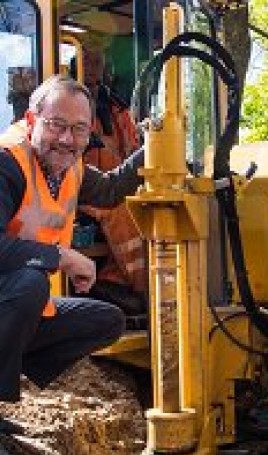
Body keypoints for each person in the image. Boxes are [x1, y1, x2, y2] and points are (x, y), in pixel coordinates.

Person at [0, 75, 144, 455]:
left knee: (104, 320)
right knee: (30, 285)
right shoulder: (6, 163)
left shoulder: (70, 169)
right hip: (11, 295)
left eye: (79, 129)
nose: (67, 138)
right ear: (32, 119)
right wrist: (61, 256)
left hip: (11, 304)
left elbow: (111, 191)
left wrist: (155, 149)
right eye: (56, 125)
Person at [77, 46, 147, 315]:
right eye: (86, 61)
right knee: (121, 213)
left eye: (96, 62)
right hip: (83, 192)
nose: (92, 67)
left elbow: (131, 147)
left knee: (146, 204)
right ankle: (143, 290)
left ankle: (113, 281)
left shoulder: (117, 109)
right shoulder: (71, 107)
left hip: (110, 184)